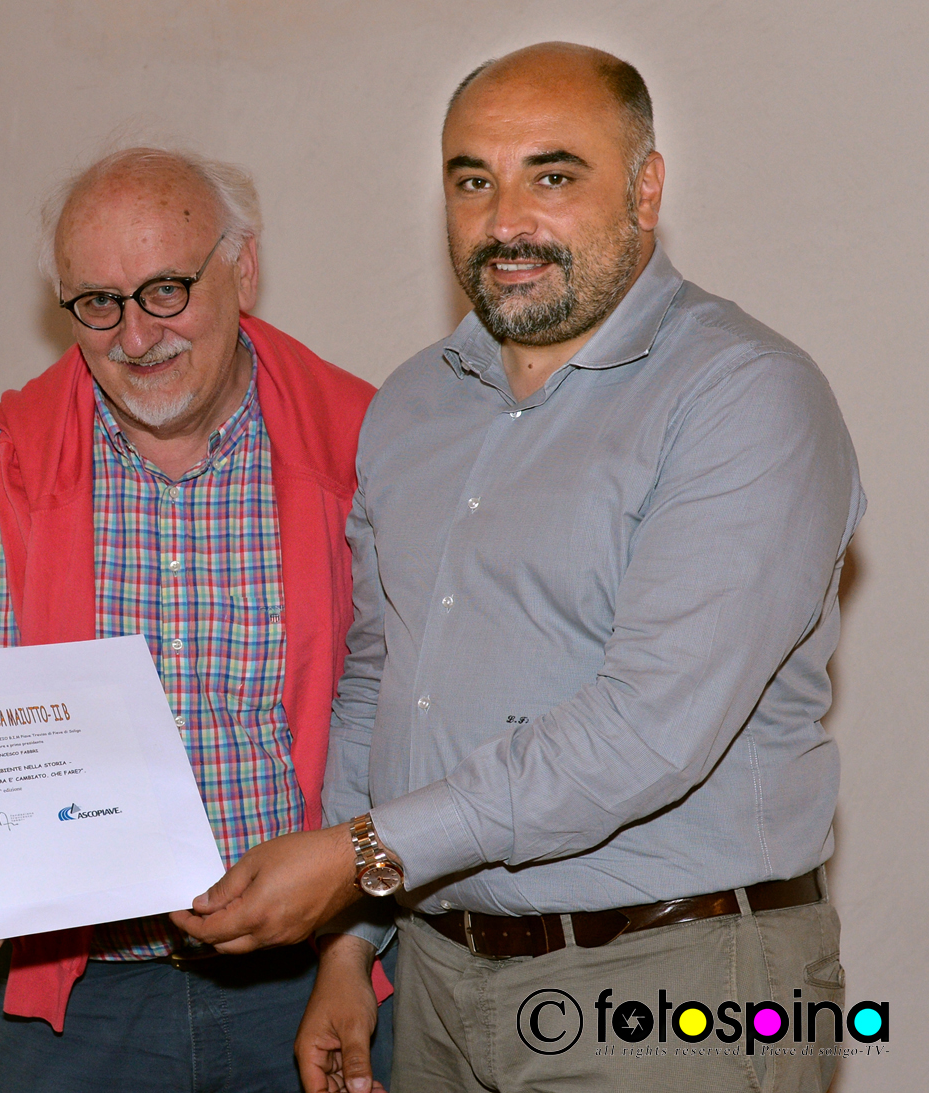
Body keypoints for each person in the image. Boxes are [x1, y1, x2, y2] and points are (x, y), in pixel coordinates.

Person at [175, 43, 864, 1093]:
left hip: (677, 982)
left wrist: (358, 855)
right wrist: (350, 945)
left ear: (644, 188)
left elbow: (645, 729)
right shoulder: (411, 404)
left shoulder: (743, 396)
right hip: (437, 981)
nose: (504, 221)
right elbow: (379, 682)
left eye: (551, 176)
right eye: (471, 181)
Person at [0, 148, 385, 1092]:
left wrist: (353, 952)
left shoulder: (367, 445)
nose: (135, 335)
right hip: (66, 1002)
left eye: (166, 289)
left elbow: (404, 730)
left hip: (310, 981)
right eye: (98, 301)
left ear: (242, 270)